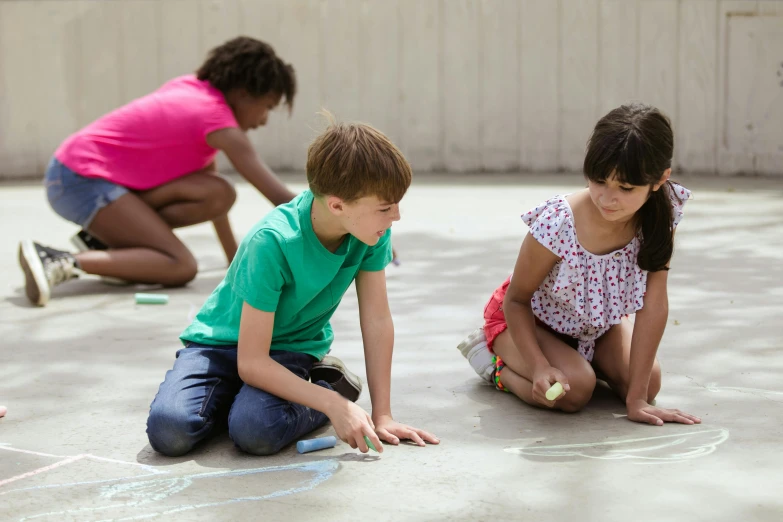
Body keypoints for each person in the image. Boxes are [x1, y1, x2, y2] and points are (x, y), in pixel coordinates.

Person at [146, 115, 439, 456]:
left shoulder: (371, 231)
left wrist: (383, 414)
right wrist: (332, 404)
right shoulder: (272, 241)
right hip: (219, 347)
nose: (396, 217)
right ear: (337, 205)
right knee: (170, 431)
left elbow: (376, 319)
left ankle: (305, 390)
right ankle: (325, 393)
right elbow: (251, 363)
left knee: (255, 430)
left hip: (290, 348)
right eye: (386, 208)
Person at [459, 103, 702, 427]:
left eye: (626, 188)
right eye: (599, 180)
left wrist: (637, 399)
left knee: (647, 383)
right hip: (529, 323)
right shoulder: (560, 222)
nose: (607, 198)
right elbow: (516, 299)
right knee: (573, 391)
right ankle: (495, 365)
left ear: (660, 180)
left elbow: (654, 302)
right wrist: (538, 367)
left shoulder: (661, 213)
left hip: (596, 327)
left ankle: (584, 361)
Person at [18, 36, 297, 306]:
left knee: (218, 192)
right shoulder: (217, 121)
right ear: (244, 94)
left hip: (75, 172)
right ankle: (60, 259)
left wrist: (233, 260)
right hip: (80, 178)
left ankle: (105, 240)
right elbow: (278, 196)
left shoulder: (192, 90)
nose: (263, 121)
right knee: (181, 266)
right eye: (267, 108)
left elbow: (212, 192)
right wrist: (331, 228)